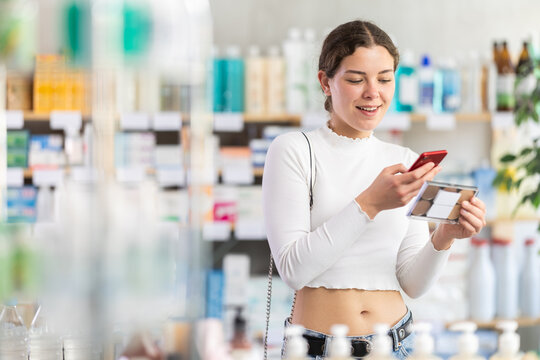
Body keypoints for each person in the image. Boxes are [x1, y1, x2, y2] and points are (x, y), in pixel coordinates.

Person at [262, 20, 486, 360]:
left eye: (384, 79)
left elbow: (412, 283)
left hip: (397, 343)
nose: (373, 92)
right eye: (355, 79)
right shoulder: (293, 150)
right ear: (326, 82)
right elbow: (293, 269)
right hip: (318, 349)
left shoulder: (402, 160)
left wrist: (444, 236)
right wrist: (370, 204)